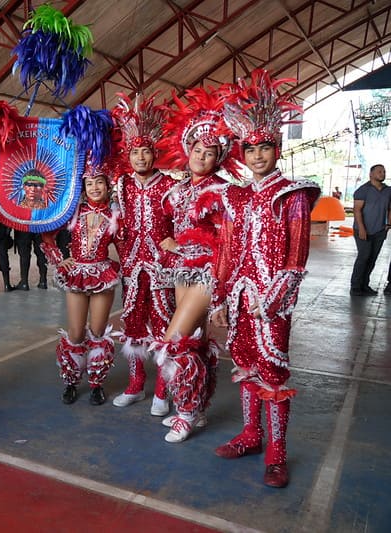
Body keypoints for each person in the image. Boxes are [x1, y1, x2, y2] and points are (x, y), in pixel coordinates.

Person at [211, 68, 320, 488]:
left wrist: (273, 299)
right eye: (250, 148)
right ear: (242, 151)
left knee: (272, 372)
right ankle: (251, 435)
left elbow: (296, 258)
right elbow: (225, 251)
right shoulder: (235, 196)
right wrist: (220, 298)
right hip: (238, 297)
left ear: (277, 148)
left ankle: (277, 453)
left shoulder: (292, 195)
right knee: (243, 363)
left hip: (273, 301)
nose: (257, 155)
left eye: (265, 148)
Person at [152, 87, 235, 442]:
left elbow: (226, 242)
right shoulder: (179, 189)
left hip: (206, 273)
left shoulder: (222, 191)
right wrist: (170, 243)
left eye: (209, 152)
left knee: (176, 341)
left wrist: (221, 291)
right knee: (197, 341)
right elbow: (168, 228)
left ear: (218, 157)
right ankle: (197, 407)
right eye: (198, 150)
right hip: (180, 270)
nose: (202, 156)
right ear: (188, 152)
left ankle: (184, 412)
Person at [110, 93, 175, 417]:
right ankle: (136, 384)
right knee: (133, 321)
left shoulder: (170, 186)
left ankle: (163, 389)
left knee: (163, 322)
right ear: (129, 155)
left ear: (154, 154)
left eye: (145, 151)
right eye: (134, 152)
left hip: (162, 267)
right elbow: (113, 218)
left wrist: (176, 245)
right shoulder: (121, 184)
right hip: (131, 266)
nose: (140, 157)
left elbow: (183, 223)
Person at [43, 163, 123, 405]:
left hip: (102, 275)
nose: (95, 187)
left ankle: (97, 383)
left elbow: (124, 247)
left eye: (99, 182)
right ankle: (71, 380)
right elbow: (47, 234)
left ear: (108, 186)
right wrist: (59, 260)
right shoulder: (73, 211)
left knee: (98, 332)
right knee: (76, 333)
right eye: (89, 183)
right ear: (83, 187)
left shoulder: (115, 216)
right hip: (76, 274)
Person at [349, 164, 391, 296]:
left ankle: (364, 285)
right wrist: (361, 228)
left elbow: (390, 208)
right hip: (363, 230)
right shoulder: (363, 190)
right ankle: (355, 287)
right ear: (371, 174)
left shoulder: (388, 190)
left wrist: (388, 224)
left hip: (379, 230)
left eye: (384, 171)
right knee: (364, 256)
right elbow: (357, 210)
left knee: (372, 258)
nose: (382, 174)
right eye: (379, 171)